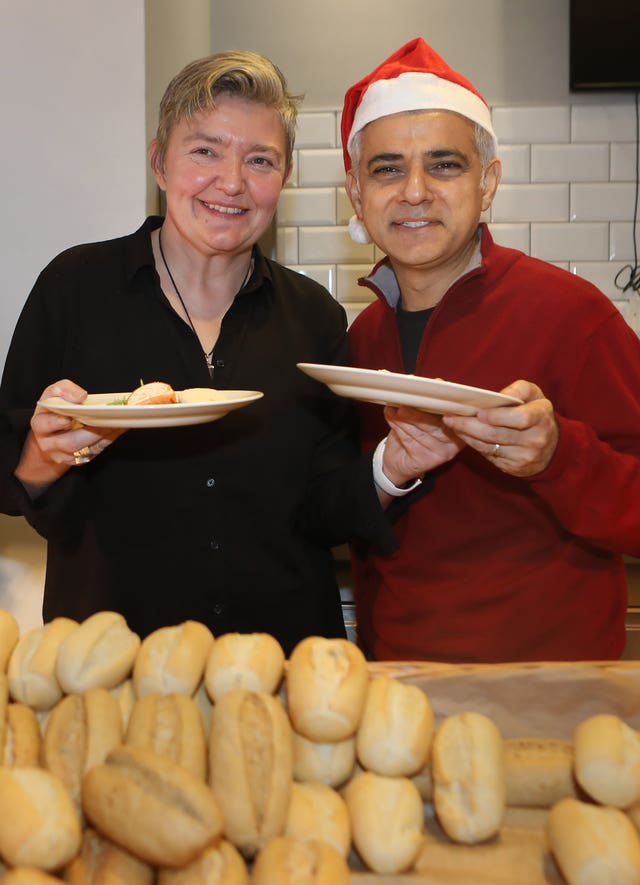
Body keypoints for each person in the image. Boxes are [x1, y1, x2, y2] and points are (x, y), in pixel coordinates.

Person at [0, 50, 431, 655]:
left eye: (260, 160)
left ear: (282, 179)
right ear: (159, 161)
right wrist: (42, 459)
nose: (231, 182)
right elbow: (11, 476)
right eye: (205, 151)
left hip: (279, 668)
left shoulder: (314, 318)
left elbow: (326, 509)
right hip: (115, 666)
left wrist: (394, 466)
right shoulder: (75, 288)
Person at [341, 37, 640, 663]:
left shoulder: (571, 315)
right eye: (387, 167)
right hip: (400, 683)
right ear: (356, 192)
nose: (414, 191)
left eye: (444, 165)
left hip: (548, 691)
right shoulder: (362, 340)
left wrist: (557, 456)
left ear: (488, 182)